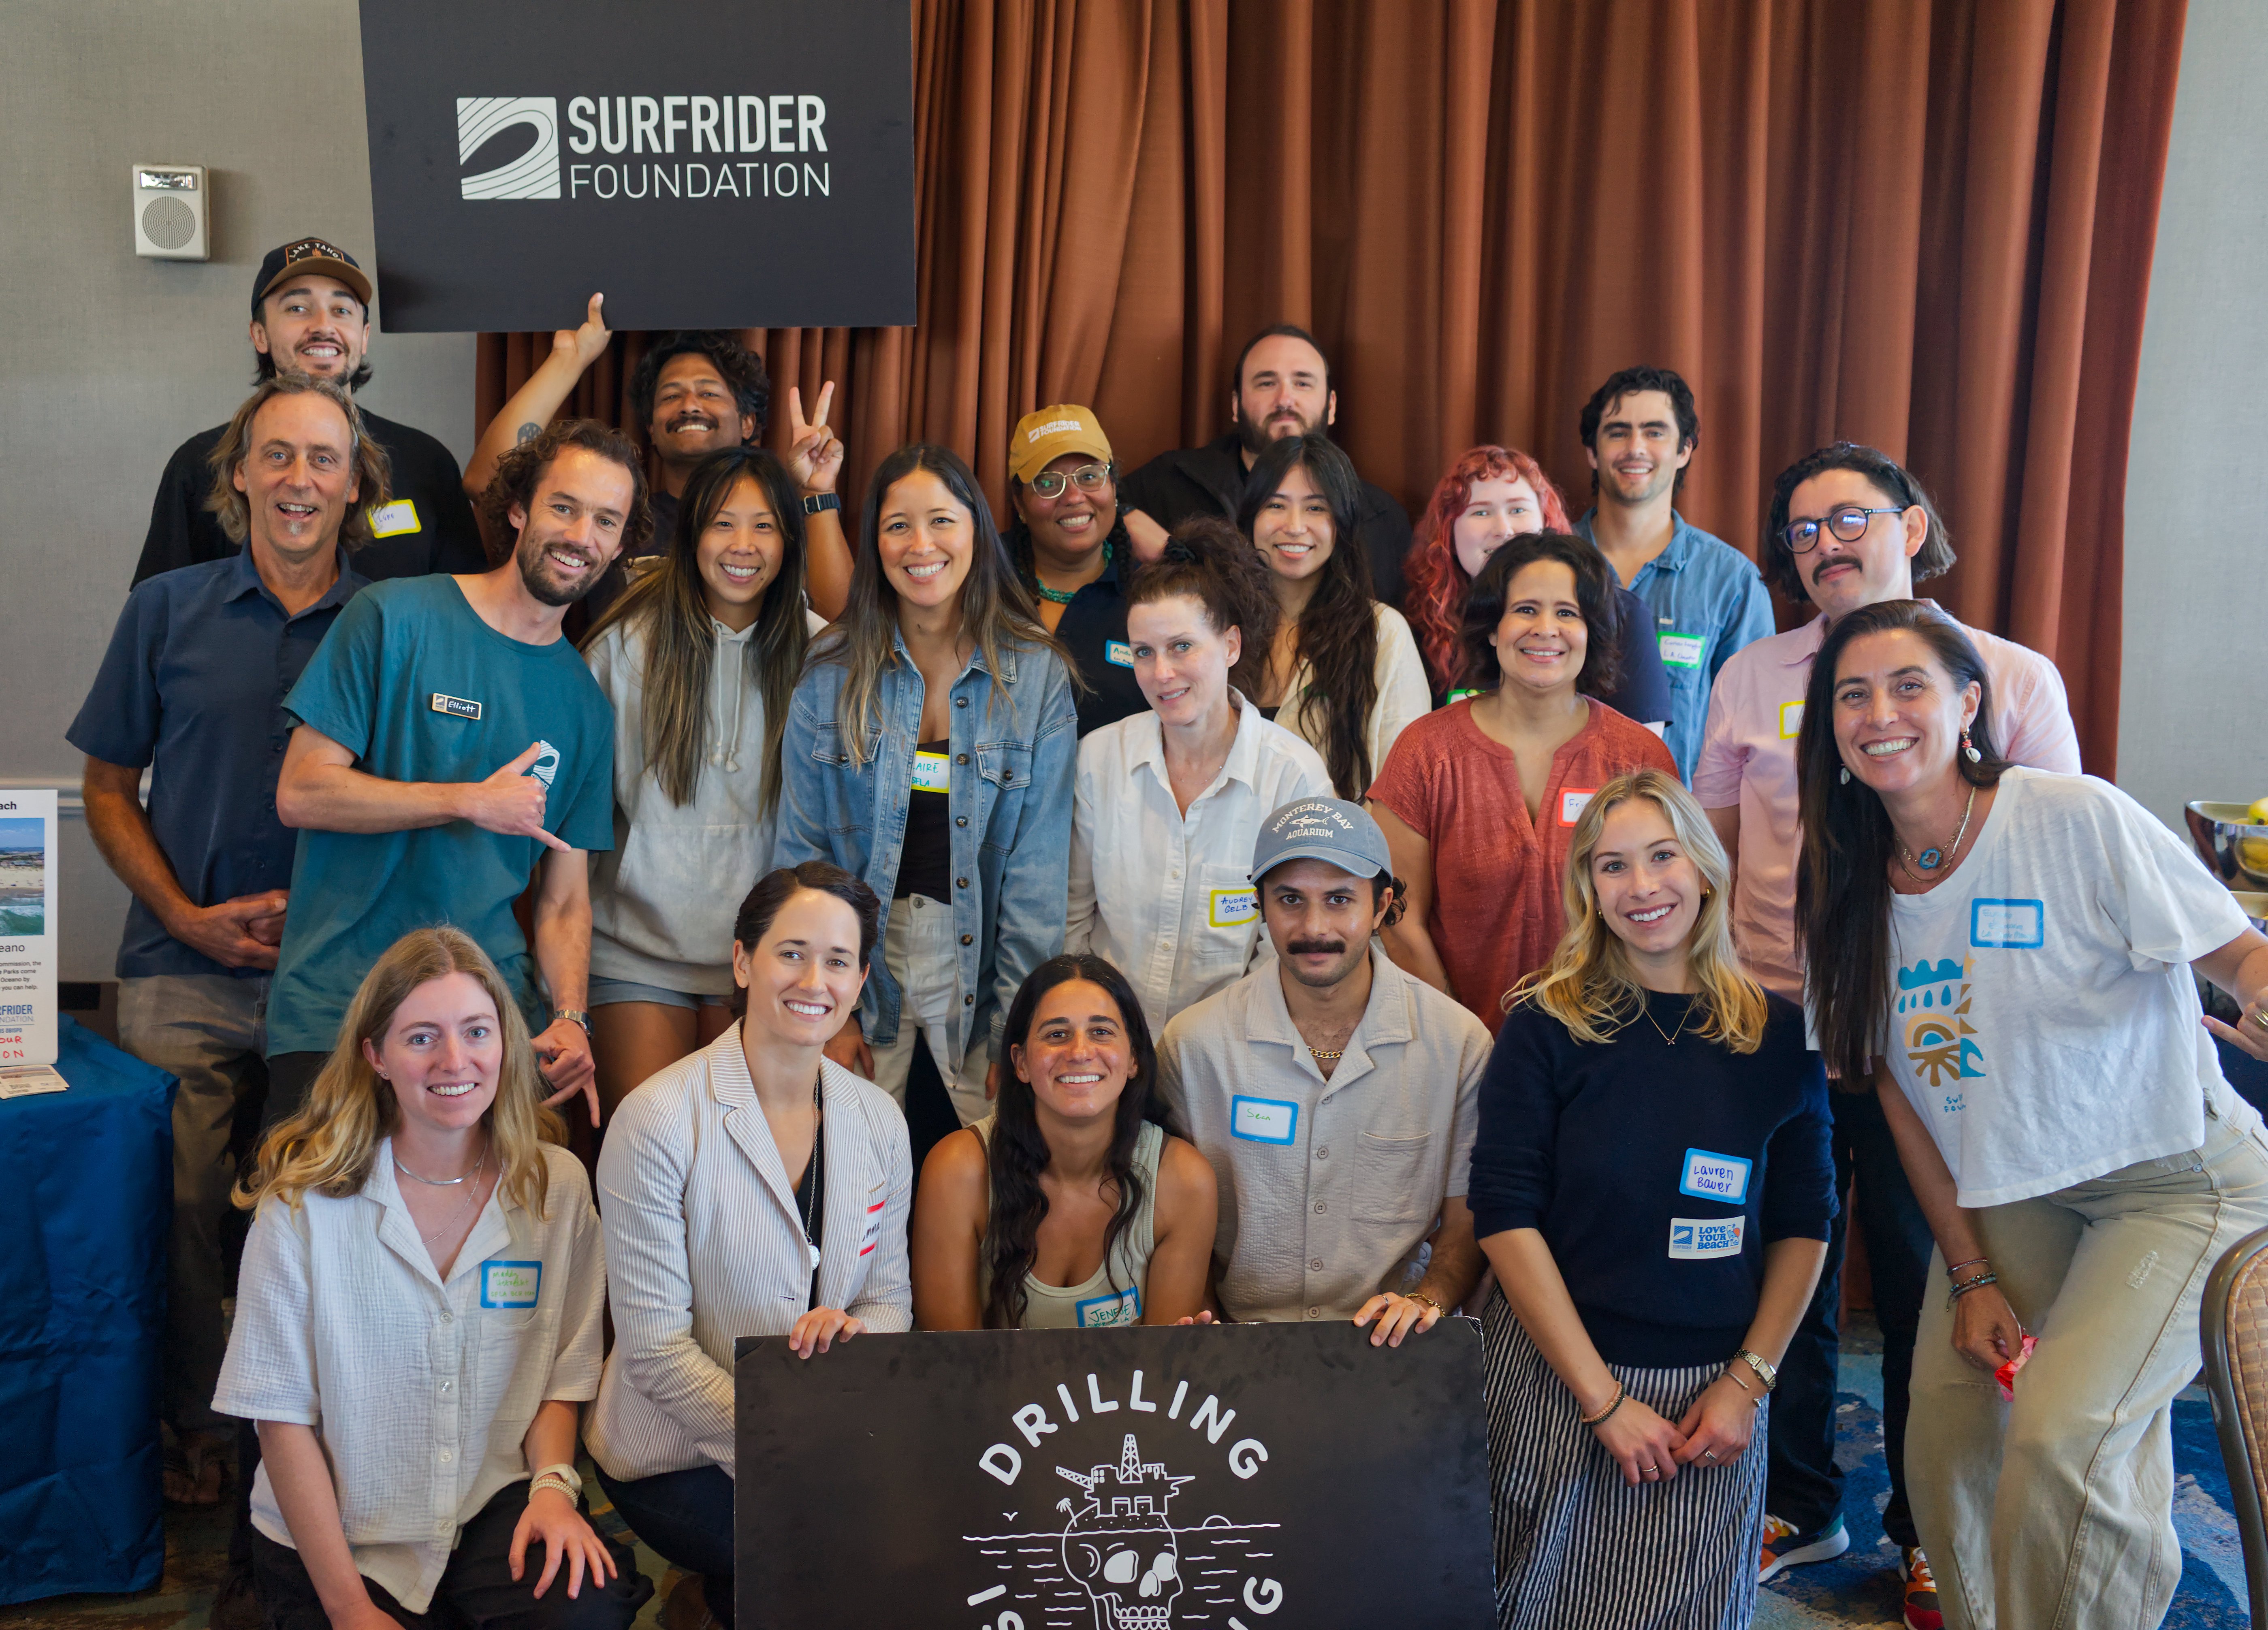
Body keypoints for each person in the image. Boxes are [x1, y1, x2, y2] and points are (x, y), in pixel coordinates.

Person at [1796, 600, 2268, 1630]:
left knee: (2066, 1433)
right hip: (2015, 1190)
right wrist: (1964, 1272)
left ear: (1966, 703)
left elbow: (2230, 953)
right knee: (1942, 1446)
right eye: (1850, 693)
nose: (1879, 712)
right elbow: (1898, 1093)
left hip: (2171, 1176)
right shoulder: (1841, 885)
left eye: (1907, 684)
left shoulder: (2069, 814)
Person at [1691, 444, 2080, 1610]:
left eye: (1846, 518)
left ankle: (1924, 1526)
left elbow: (2049, 863)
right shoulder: (1750, 676)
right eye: (1800, 531)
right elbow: (1713, 850)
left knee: (1929, 1281)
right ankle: (1796, 1501)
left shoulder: (2005, 679)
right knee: (1776, 1270)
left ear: (1911, 526)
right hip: (1771, 1021)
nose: (1822, 545)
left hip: (1933, 1038)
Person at [69, 373, 384, 1506]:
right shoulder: (166, 609)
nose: (300, 479)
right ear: (239, 474)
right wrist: (181, 913)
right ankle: (202, 1427)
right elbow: (105, 788)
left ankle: (303, 1435)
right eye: (278, 457)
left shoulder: (393, 625)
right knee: (177, 1200)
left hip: (336, 976)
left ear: (355, 488)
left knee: (312, 1210)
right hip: (179, 962)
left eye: (324, 461)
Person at [1471, 770, 1833, 1628]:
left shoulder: (1781, 1038)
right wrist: (1601, 1399)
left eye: (1662, 856)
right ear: (1587, 890)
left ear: (1705, 868)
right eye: (1612, 865)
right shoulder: (1543, 1024)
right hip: (1557, 1378)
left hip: (1715, 1397)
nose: (1641, 887)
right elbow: (1505, 1215)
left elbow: (1803, 1222)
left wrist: (1748, 1383)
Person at [214, 926, 651, 1630]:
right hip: (342, 1529)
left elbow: (562, 1375)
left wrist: (550, 1490)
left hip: (486, 1504)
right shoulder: (301, 1203)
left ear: (505, 1042)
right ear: (375, 1054)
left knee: (586, 1610)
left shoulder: (556, 1185)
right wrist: (350, 1607)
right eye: (421, 1037)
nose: (455, 1059)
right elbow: (280, 1417)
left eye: (477, 1030)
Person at [266, 419, 644, 1124]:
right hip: (339, 1009)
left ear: (619, 545)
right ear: (518, 507)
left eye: (604, 520)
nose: (579, 535)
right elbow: (302, 789)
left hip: (483, 1028)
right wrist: (467, 800)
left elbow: (564, 900)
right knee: (306, 1227)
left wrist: (570, 1017)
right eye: (563, 507)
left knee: (504, 1230)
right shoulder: (394, 615)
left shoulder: (586, 706)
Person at [585, 864, 911, 1630]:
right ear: (742, 961)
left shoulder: (879, 1119)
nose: (814, 979)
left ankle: (707, 1604)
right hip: (677, 1452)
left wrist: (857, 1332)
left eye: (837, 960)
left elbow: (887, 1297)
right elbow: (654, 1350)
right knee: (822, 1553)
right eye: (790, 951)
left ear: (861, 979)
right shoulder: (658, 1118)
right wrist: (787, 1443)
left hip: (820, 1434)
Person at [772, 444, 1077, 1165]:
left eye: (940, 520)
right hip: (860, 958)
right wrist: (828, 1002)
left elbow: (1037, 874)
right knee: (845, 1172)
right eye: (896, 525)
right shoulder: (831, 671)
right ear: (874, 543)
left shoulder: (1034, 675)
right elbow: (802, 853)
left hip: (980, 963)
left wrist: (1018, 1023)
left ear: (976, 530)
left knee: (1001, 1171)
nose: (920, 545)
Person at [1155, 797, 1490, 1337]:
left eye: (1339, 900)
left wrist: (1426, 1298)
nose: (1314, 927)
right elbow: (1166, 1218)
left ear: (1381, 906)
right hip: (1237, 1345)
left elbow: (1465, 1218)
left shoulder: (1457, 1046)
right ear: (1259, 904)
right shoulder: (1194, 1046)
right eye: (1290, 899)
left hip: (1398, 1351)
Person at [580, 445, 824, 1120]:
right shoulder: (624, 645)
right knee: (645, 1143)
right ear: (689, 535)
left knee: (737, 1165)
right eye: (721, 522)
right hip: (635, 950)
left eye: (764, 525)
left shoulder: (822, 653)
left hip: (767, 960)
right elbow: (576, 823)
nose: (741, 545)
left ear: (789, 540)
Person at [1369, 534, 1678, 1032]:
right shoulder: (1425, 752)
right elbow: (1398, 920)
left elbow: (1666, 913)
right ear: (1493, 628)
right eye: (1526, 609)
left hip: (1610, 1046)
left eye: (1567, 613)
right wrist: (1459, 1040)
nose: (1545, 629)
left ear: (1591, 631)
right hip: (1452, 1048)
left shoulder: (1639, 757)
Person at [1066, 518, 1330, 1034]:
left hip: (1236, 1046)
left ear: (1231, 645)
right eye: (1144, 652)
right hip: (1110, 1043)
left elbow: (1287, 947)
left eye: (1182, 646)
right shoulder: (1099, 759)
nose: (1161, 672)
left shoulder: (1294, 777)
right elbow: (1073, 922)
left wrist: (1213, 1049)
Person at [461, 301, 854, 617]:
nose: (688, 406)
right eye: (670, 396)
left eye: (709, 393)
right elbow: (488, 481)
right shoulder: (618, 520)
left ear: (748, 422)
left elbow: (843, 624)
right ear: (651, 427)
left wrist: (816, 490)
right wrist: (571, 359)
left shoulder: (784, 516)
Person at [136, 237, 484, 585]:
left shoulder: (427, 461)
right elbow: (160, 622)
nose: (323, 326)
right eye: (298, 309)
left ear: (363, 338)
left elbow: (466, 612)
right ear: (260, 335)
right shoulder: (200, 465)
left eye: (341, 310)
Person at [911, 954, 1218, 1329]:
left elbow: (1161, 1374)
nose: (1079, 1053)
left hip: (1128, 1390)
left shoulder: (1184, 1180)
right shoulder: (958, 1169)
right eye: (1056, 1034)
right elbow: (949, 1365)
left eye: (1101, 1032)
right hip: (989, 1388)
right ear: (1020, 1062)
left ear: (1134, 1058)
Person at [1570, 367, 1775, 780]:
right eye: (1617, 432)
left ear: (1685, 449)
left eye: (1654, 432)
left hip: (1683, 831)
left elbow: (1757, 727)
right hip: (1557, 824)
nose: (1635, 447)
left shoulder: (1731, 581)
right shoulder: (1546, 566)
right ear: (1592, 452)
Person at [1116, 324, 1416, 605]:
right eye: (1266, 383)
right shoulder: (1170, 482)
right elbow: (1089, 508)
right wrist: (1125, 518)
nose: (1285, 399)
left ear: (1332, 405)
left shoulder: (1381, 518)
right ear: (1236, 405)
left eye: (1302, 383)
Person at [1403, 445, 1675, 731]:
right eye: (1480, 513)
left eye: (1518, 509)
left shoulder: (1619, 612)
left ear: (1547, 522)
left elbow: (1644, 758)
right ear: (1448, 534)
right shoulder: (1423, 622)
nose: (1504, 529)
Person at [1237, 433, 1430, 800]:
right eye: (1276, 506)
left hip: (1337, 854)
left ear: (1342, 521)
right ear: (1250, 517)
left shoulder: (1382, 633)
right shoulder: (1218, 625)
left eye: (1315, 508)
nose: (1294, 526)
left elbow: (1404, 791)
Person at [1004, 403, 1148, 736]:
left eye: (1088, 477)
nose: (1072, 497)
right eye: (1048, 483)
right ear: (1019, 504)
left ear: (1113, 486)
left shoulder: (1153, 592)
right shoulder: (982, 578)